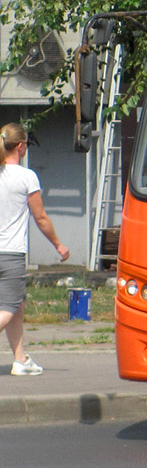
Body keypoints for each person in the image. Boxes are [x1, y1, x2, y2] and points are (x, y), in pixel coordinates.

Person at [0, 123, 69, 376]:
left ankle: (20, 359)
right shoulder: (26, 177)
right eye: (26, 144)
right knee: (8, 308)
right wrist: (59, 245)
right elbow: (40, 218)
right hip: (10, 254)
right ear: (20, 146)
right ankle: (20, 359)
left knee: (17, 306)